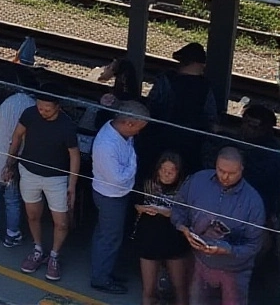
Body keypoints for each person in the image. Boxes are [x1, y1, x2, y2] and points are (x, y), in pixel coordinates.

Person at [4, 86, 80, 282]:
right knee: (32, 214)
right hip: (29, 172)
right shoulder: (30, 113)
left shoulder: (67, 126)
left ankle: (54, 255)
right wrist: (10, 162)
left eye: (47, 108)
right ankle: (38, 248)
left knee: (61, 222)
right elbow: (17, 135)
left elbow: (74, 155)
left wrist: (72, 184)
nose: (42, 111)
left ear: (58, 107)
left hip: (57, 178)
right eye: (40, 107)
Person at [174, 147, 266, 305]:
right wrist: (183, 228)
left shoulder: (253, 202)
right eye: (220, 170)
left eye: (232, 173)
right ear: (215, 165)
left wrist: (228, 250)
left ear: (242, 169)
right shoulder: (198, 181)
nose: (225, 176)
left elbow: (254, 245)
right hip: (199, 262)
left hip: (235, 270)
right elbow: (178, 207)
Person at [90, 100, 151, 295]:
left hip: (115, 194)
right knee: (110, 237)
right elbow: (117, 178)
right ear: (129, 124)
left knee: (106, 235)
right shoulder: (106, 145)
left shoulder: (122, 134)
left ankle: (104, 271)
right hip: (110, 196)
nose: (139, 133)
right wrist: (133, 164)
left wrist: (128, 169)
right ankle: (101, 279)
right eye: (139, 128)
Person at [0, 65, 35, 247]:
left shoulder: (3, 103)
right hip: (15, 161)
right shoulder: (31, 104)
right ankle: (12, 233)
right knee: (12, 200)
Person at [134, 152, 192, 305]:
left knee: (180, 288)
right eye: (163, 170)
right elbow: (134, 203)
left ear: (178, 173)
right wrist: (142, 208)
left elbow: (187, 215)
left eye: (171, 171)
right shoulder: (146, 184)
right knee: (149, 290)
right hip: (149, 243)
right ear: (157, 169)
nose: (166, 174)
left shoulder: (185, 190)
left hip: (175, 244)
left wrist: (165, 212)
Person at [148, 42, 217, 171]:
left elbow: (152, 106)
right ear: (199, 64)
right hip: (193, 143)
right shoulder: (205, 86)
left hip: (162, 138)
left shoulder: (166, 80)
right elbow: (211, 117)